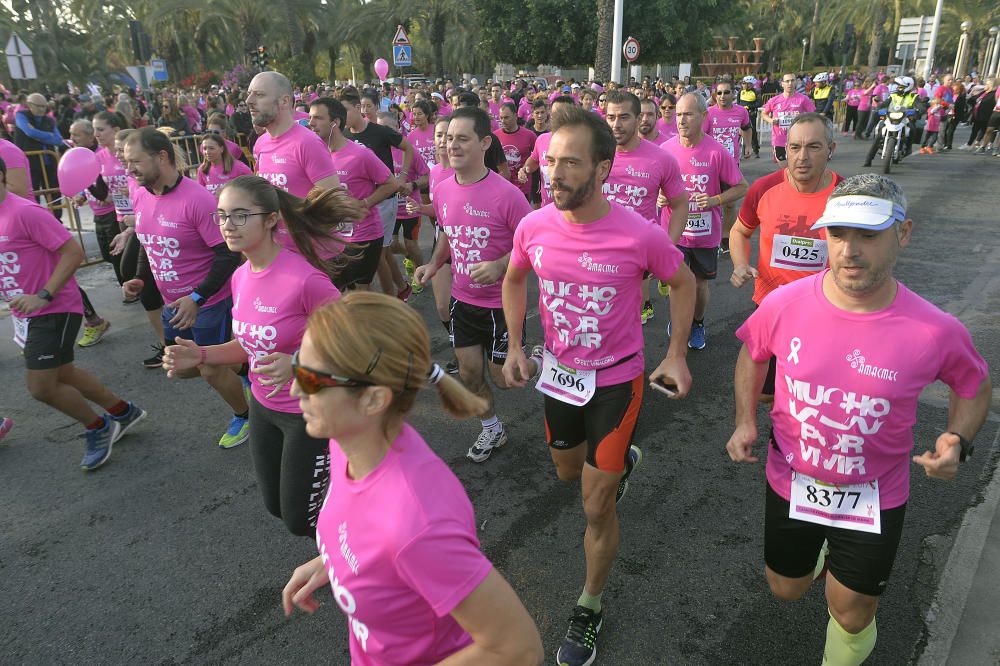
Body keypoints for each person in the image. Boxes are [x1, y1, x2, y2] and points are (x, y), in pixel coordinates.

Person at [726, 174, 992, 666]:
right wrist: (746, 420)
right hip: (792, 479)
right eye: (838, 233)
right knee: (786, 589)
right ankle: (820, 559)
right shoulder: (785, 304)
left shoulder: (933, 329)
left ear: (903, 233)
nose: (849, 250)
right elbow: (752, 352)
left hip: (875, 492)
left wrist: (957, 438)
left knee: (851, 613)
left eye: (868, 235)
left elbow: (973, 385)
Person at [501, 105, 696, 666]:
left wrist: (676, 355)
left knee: (594, 505)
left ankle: (588, 606)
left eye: (569, 164)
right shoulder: (533, 226)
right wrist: (515, 345)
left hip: (617, 382)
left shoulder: (639, 234)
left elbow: (681, 284)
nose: (554, 175)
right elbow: (515, 278)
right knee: (568, 473)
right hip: (560, 378)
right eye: (549, 162)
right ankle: (622, 465)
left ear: (603, 169)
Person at [280, 292, 544, 665]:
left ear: (373, 400)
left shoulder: (417, 527)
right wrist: (335, 561)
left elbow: (517, 648)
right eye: (296, 366)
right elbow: (368, 529)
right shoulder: (348, 443)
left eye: (310, 378)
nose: (294, 389)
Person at [163, 176, 355, 536]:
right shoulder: (240, 277)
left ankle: (355, 545)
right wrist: (202, 354)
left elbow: (354, 346)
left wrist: (299, 365)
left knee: (300, 520)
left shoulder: (305, 281)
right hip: (263, 408)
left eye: (239, 215)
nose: (227, 226)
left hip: (309, 412)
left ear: (270, 219)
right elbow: (248, 347)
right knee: (277, 507)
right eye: (221, 216)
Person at [0, 156, 146, 470]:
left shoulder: (25, 212)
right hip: (24, 313)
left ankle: (99, 426)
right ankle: (123, 411)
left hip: (52, 307)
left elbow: (73, 252)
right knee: (63, 374)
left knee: (41, 387)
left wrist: (43, 295)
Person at [414, 107, 535, 463]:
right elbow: (448, 234)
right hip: (462, 299)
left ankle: (538, 360)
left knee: (504, 379)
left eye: (462, 138)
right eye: (449, 138)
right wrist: (434, 264)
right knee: (468, 373)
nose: (452, 145)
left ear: (484, 143)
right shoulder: (443, 189)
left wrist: (500, 264)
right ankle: (491, 428)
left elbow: (532, 244)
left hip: (501, 305)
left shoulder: (507, 195)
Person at [123, 127, 249, 449]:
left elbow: (228, 253)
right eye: (127, 162)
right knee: (178, 368)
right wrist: (140, 277)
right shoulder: (140, 194)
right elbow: (144, 239)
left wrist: (197, 297)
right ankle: (248, 367)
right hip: (173, 305)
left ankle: (247, 415)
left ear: (161, 156)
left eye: (135, 161)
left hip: (209, 303)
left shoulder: (197, 199)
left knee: (208, 368)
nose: (129, 169)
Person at [730, 113, 843, 398]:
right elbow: (740, 232)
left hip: (824, 313)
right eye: (794, 147)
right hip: (771, 308)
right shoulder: (765, 188)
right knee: (765, 393)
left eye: (814, 147)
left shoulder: (845, 195)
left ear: (831, 149)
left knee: (812, 392)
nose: (802, 157)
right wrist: (740, 264)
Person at [662, 93, 748, 350]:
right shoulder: (665, 151)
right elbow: (655, 185)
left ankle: (697, 322)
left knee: (699, 285)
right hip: (674, 232)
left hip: (704, 233)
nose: (681, 120)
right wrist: (659, 196)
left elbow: (741, 187)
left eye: (688, 114)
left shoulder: (716, 152)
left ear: (703, 116)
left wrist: (714, 200)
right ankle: (679, 323)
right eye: (678, 114)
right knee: (678, 282)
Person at [602, 90, 687, 326]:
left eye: (624, 117)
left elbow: (680, 204)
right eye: (611, 117)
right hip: (594, 254)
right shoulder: (593, 155)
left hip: (636, 258)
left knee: (628, 323)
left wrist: (667, 247)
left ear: (639, 119)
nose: (616, 124)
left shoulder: (661, 159)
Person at [308, 97, 399, 292]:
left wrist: (364, 203)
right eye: (310, 117)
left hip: (362, 235)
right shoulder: (315, 154)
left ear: (335, 122)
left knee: (359, 294)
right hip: (330, 237)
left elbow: (391, 183)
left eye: (317, 118)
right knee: (335, 293)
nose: (311, 123)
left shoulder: (359, 154)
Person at [703, 80, 753, 255]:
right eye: (719, 93)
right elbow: (700, 137)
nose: (722, 96)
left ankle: (725, 239)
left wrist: (748, 145)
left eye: (726, 92)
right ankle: (709, 239)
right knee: (709, 204)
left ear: (733, 94)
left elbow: (747, 129)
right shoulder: (708, 114)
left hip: (731, 166)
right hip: (710, 168)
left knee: (730, 205)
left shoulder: (741, 112)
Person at [760, 73, 816, 164]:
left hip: (798, 139)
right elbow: (764, 114)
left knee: (796, 166)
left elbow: (813, 115)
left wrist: (803, 119)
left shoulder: (803, 99)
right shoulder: (774, 100)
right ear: (782, 84)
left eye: (792, 80)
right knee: (784, 167)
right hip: (779, 139)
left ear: (796, 83)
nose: (790, 83)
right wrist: (771, 120)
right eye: (787, 81)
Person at [863, 76, 919, 167]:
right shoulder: (893, 94)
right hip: (891, 116)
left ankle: (908, 148)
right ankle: (868, 159)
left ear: (908, 86)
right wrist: (879, 107)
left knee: (912, 129)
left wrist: (919, 110)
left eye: (901, 86)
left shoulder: (914, 96)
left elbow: (919, 105)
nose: (898, 87)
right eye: (898, 86)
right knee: (879, 131)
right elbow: (886, 103)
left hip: (905, 118)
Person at [497, 101, 536, 201]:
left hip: (523, 188)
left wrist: (527, 170)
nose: (503, 121)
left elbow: (537, 158)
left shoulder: (529, 135)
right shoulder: (495, 137)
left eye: (506, 117)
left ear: (515, 116)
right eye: (501, 118)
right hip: (502, 188)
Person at [197, 132, 253, 197]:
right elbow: (200, 194)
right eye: (205, 148)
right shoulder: (202, 169)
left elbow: (255, 185)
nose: (207, 152)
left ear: (222, 149)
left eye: (211, 148)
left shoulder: (238, 166)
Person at [738, 77, 761, 157]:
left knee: (752, 131)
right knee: (741, 132)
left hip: (751, 113)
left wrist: (749, 106)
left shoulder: (756, 92)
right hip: (741, 114)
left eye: (748, 84)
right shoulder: (740, 92)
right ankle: (742, 151)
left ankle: (756, 149)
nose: (746, 85)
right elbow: (738, 103)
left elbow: (759, 103)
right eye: (744, 83)